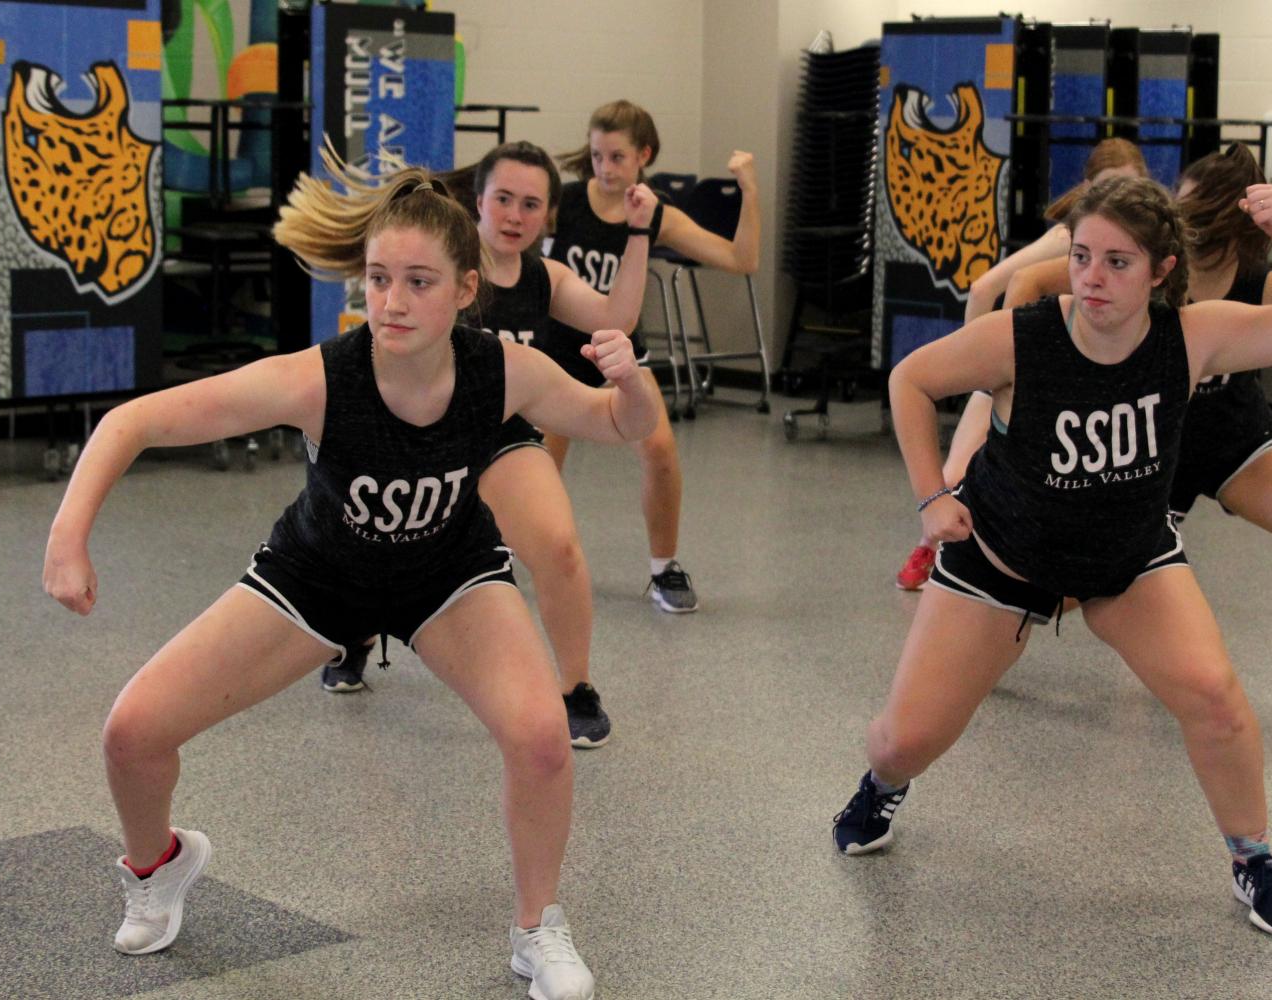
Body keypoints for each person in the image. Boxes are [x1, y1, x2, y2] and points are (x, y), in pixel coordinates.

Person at [42, 147, 662, 1000]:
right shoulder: (320, 380)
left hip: (449, 575)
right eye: (378, 280)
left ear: (466, 290)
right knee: (132, 733)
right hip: (317, 579)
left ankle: (537, 930)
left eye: (418, 282)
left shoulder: (501, 370)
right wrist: (68, 536)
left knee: (542, 738)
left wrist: (632, 384)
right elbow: (133, 422)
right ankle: (158, 866)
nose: (392, 302)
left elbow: (615, 423)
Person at [832, 174, 1272, 939]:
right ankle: (881, 786)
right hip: (1001, 558)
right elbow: (913, 379)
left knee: (1215, 699)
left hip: (1128, 558)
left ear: (1161, 271)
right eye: (1083, 256)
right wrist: (929, 498)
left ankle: (1254, 858)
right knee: (906, 738)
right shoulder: (1025, 337)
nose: (1093, 277)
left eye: (1118, 262)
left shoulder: (1192, 336)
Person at [1000, 147, 1272, 754]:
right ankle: (980, 635)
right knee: (1068, 585)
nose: (1181, 206)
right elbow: (1030, 283)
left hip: (1232, 432)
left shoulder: (1258, 281)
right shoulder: (1143, 268)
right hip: (1153, 437)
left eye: (1190, 197)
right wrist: (1028, 385)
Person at [321, 141, 658, 752]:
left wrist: (639, 232)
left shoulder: (544, 276)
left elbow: (617, 314)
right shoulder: (439, 259)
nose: (514, 215)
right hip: (412, 429)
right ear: (476, 201)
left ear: (547, 216)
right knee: (376, 542)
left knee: (557, 544)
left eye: (531, 205)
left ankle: (576, 687)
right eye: (502, 198)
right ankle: (359, 633)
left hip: (497, 433)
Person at [895, 138, 1149, 589]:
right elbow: (982, 289)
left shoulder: (1147, 245)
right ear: (1088, 188)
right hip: (1021, 373)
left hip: (1091, 382)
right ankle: (929, 546)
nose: (1119, 208)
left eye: (1131, 191)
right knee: (954, 476)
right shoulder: (1066, 237)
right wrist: (979, 365)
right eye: (1110, 191)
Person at [544, 98, 761, 613]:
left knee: (660, 452)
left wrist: (750, 189)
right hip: (559, 348)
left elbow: (741, 258)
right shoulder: (565, 202)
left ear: (643, 155)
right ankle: (507, 556)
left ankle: (664, 569)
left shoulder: (652, 213)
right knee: (538, 465)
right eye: (597, 156)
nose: (605, 168)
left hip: (619, 351)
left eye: (617, 157)